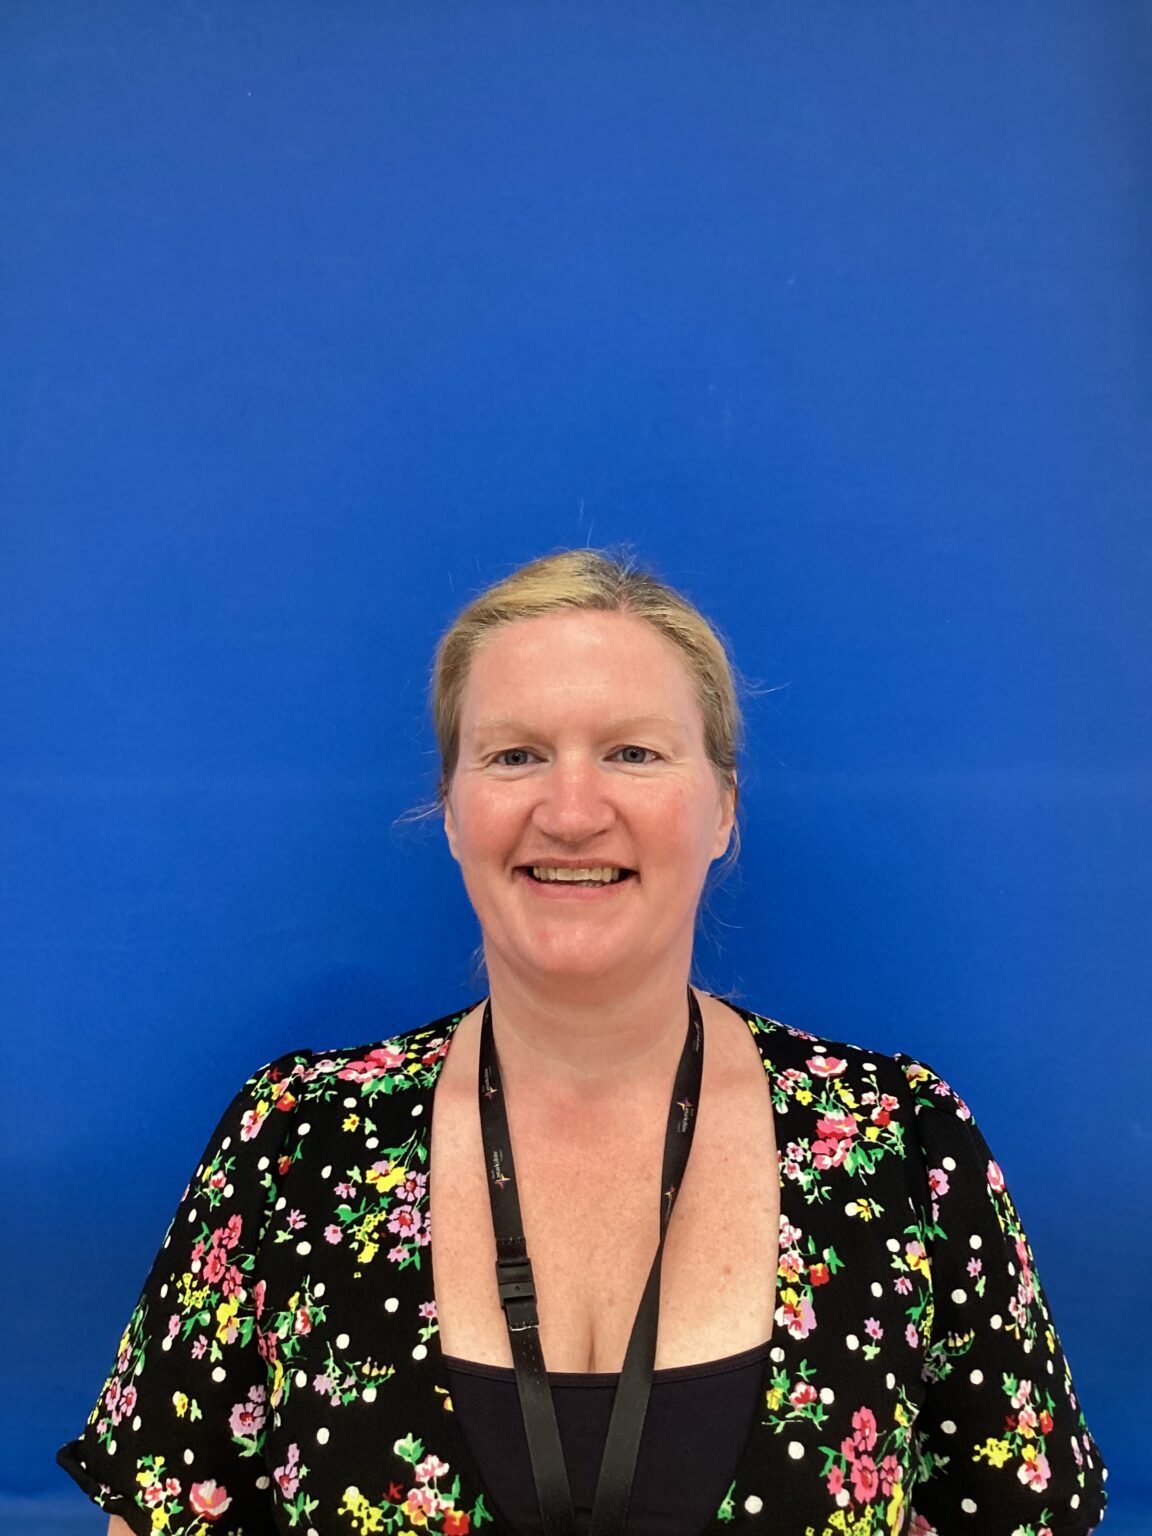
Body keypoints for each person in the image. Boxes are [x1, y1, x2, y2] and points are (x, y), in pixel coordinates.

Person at [59, 549, 1107, 1536]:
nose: (570, 811)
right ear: (453, 811)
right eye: (515, 755)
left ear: (723, 809)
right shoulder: (291, 1149)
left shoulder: (904, 1147)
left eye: (632, 753)